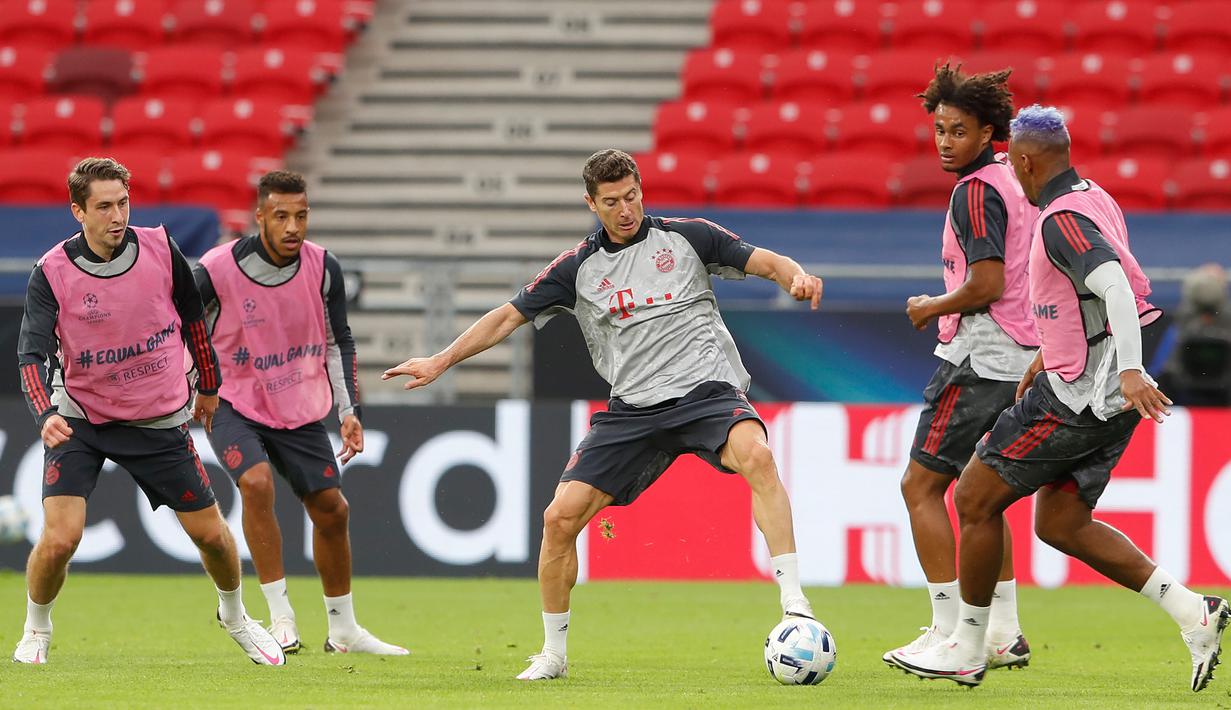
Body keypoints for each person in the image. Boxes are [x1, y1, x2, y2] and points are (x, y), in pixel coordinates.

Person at [383, 148, 824, 680]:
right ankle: (552, 654)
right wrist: (441, 359)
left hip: (706, 392)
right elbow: (506, 318)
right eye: (611, 202)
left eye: (632, 196)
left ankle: (795, 603)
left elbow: (766, 261)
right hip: (632, 411)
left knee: (757, 456)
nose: (625, 210)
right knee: (558, 518)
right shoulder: (577, 268)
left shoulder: (690, 237)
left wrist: (795, 277)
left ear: (641, 188)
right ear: (591, 203)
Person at [888, 105, 1229, 691]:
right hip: (1094, 388)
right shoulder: (1095, 196)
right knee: (1062, 523)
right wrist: (1053, 349)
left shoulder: (1059, 220)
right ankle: (1195, 613)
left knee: (971, 498)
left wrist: (1127, 370)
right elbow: (1090, 297)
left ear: (1023, 161)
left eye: (1012, 163)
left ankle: (969, 646)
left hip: (1079, 397)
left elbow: (1115, 287)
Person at [14, 157, 285, 666]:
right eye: (103, 207)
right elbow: (32, 352)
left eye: (123, 203)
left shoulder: (160, 247)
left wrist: (210, 385)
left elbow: (193, 319)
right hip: (81, 418)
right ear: (78, 211)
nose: (117, 216)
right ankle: (36, 628)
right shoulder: (51, 272)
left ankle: (235, 615)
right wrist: (43, 412)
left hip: (157, 420)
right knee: (59, 541)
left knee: (212, 536)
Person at [193, 170, 407, 656]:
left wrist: (349, 411)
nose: (294, 226)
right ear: (260, 216)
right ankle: (281, 617)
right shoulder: (217, 268)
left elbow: (337, 341)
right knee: (256, 482)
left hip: (296, 403)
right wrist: (198, 383)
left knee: (332, 509)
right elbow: (184, 323)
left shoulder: (323, 268)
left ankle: (344, 630)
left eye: (302, 215)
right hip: (235, 400)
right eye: (282, 216)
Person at [886, 64, 1038, 670]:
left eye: (958, 130)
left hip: (979, 358)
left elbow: (987, 282)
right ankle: (1002, 630)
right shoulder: (1013, 180)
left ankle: (950, 627)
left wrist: (933, 306)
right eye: (939, 129)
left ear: (987, 133)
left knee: (920, 486)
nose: (945, 141)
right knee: (985, 497)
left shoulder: (974, 190)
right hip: (1022, 357)